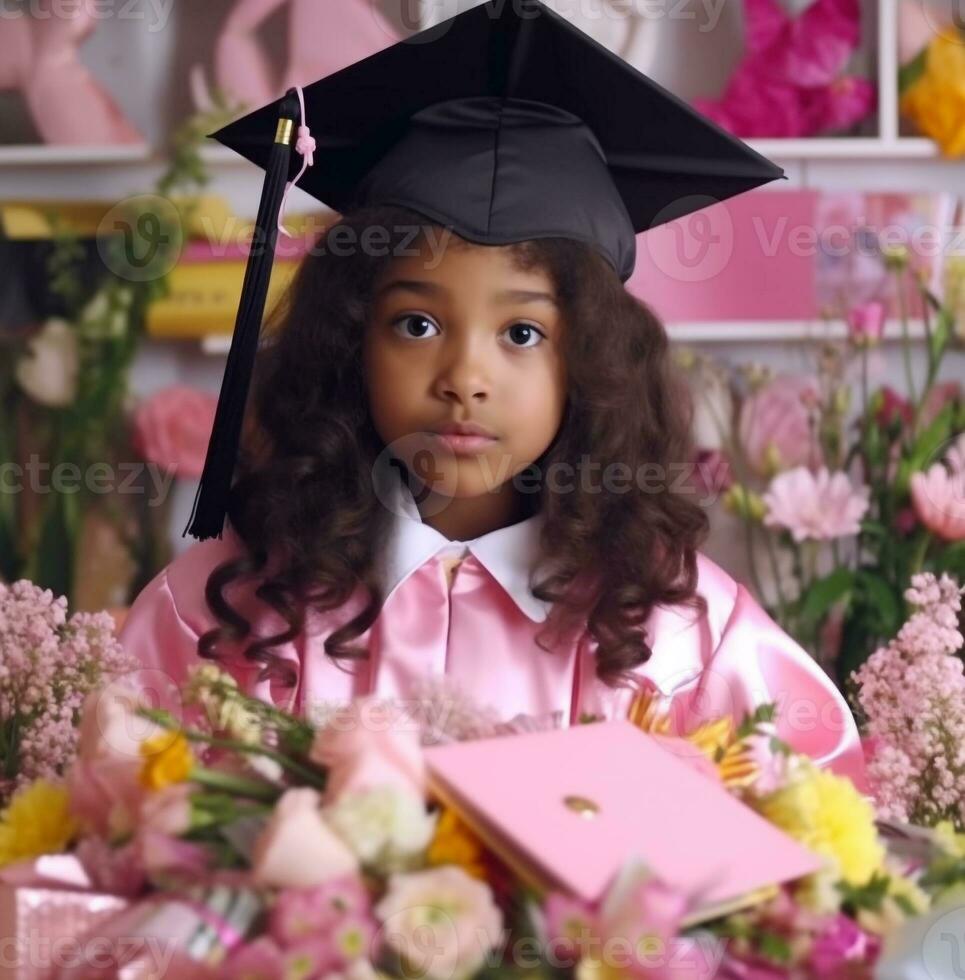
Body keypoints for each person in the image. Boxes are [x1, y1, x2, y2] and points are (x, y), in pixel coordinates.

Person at [119, 0, 867, 791]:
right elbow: (119, 829)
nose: (463, 379)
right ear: (348, 343)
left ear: (591, 361)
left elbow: (817, 834)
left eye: (521, 334)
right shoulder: (231, 610)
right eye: (414, 323)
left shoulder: (679, 631)